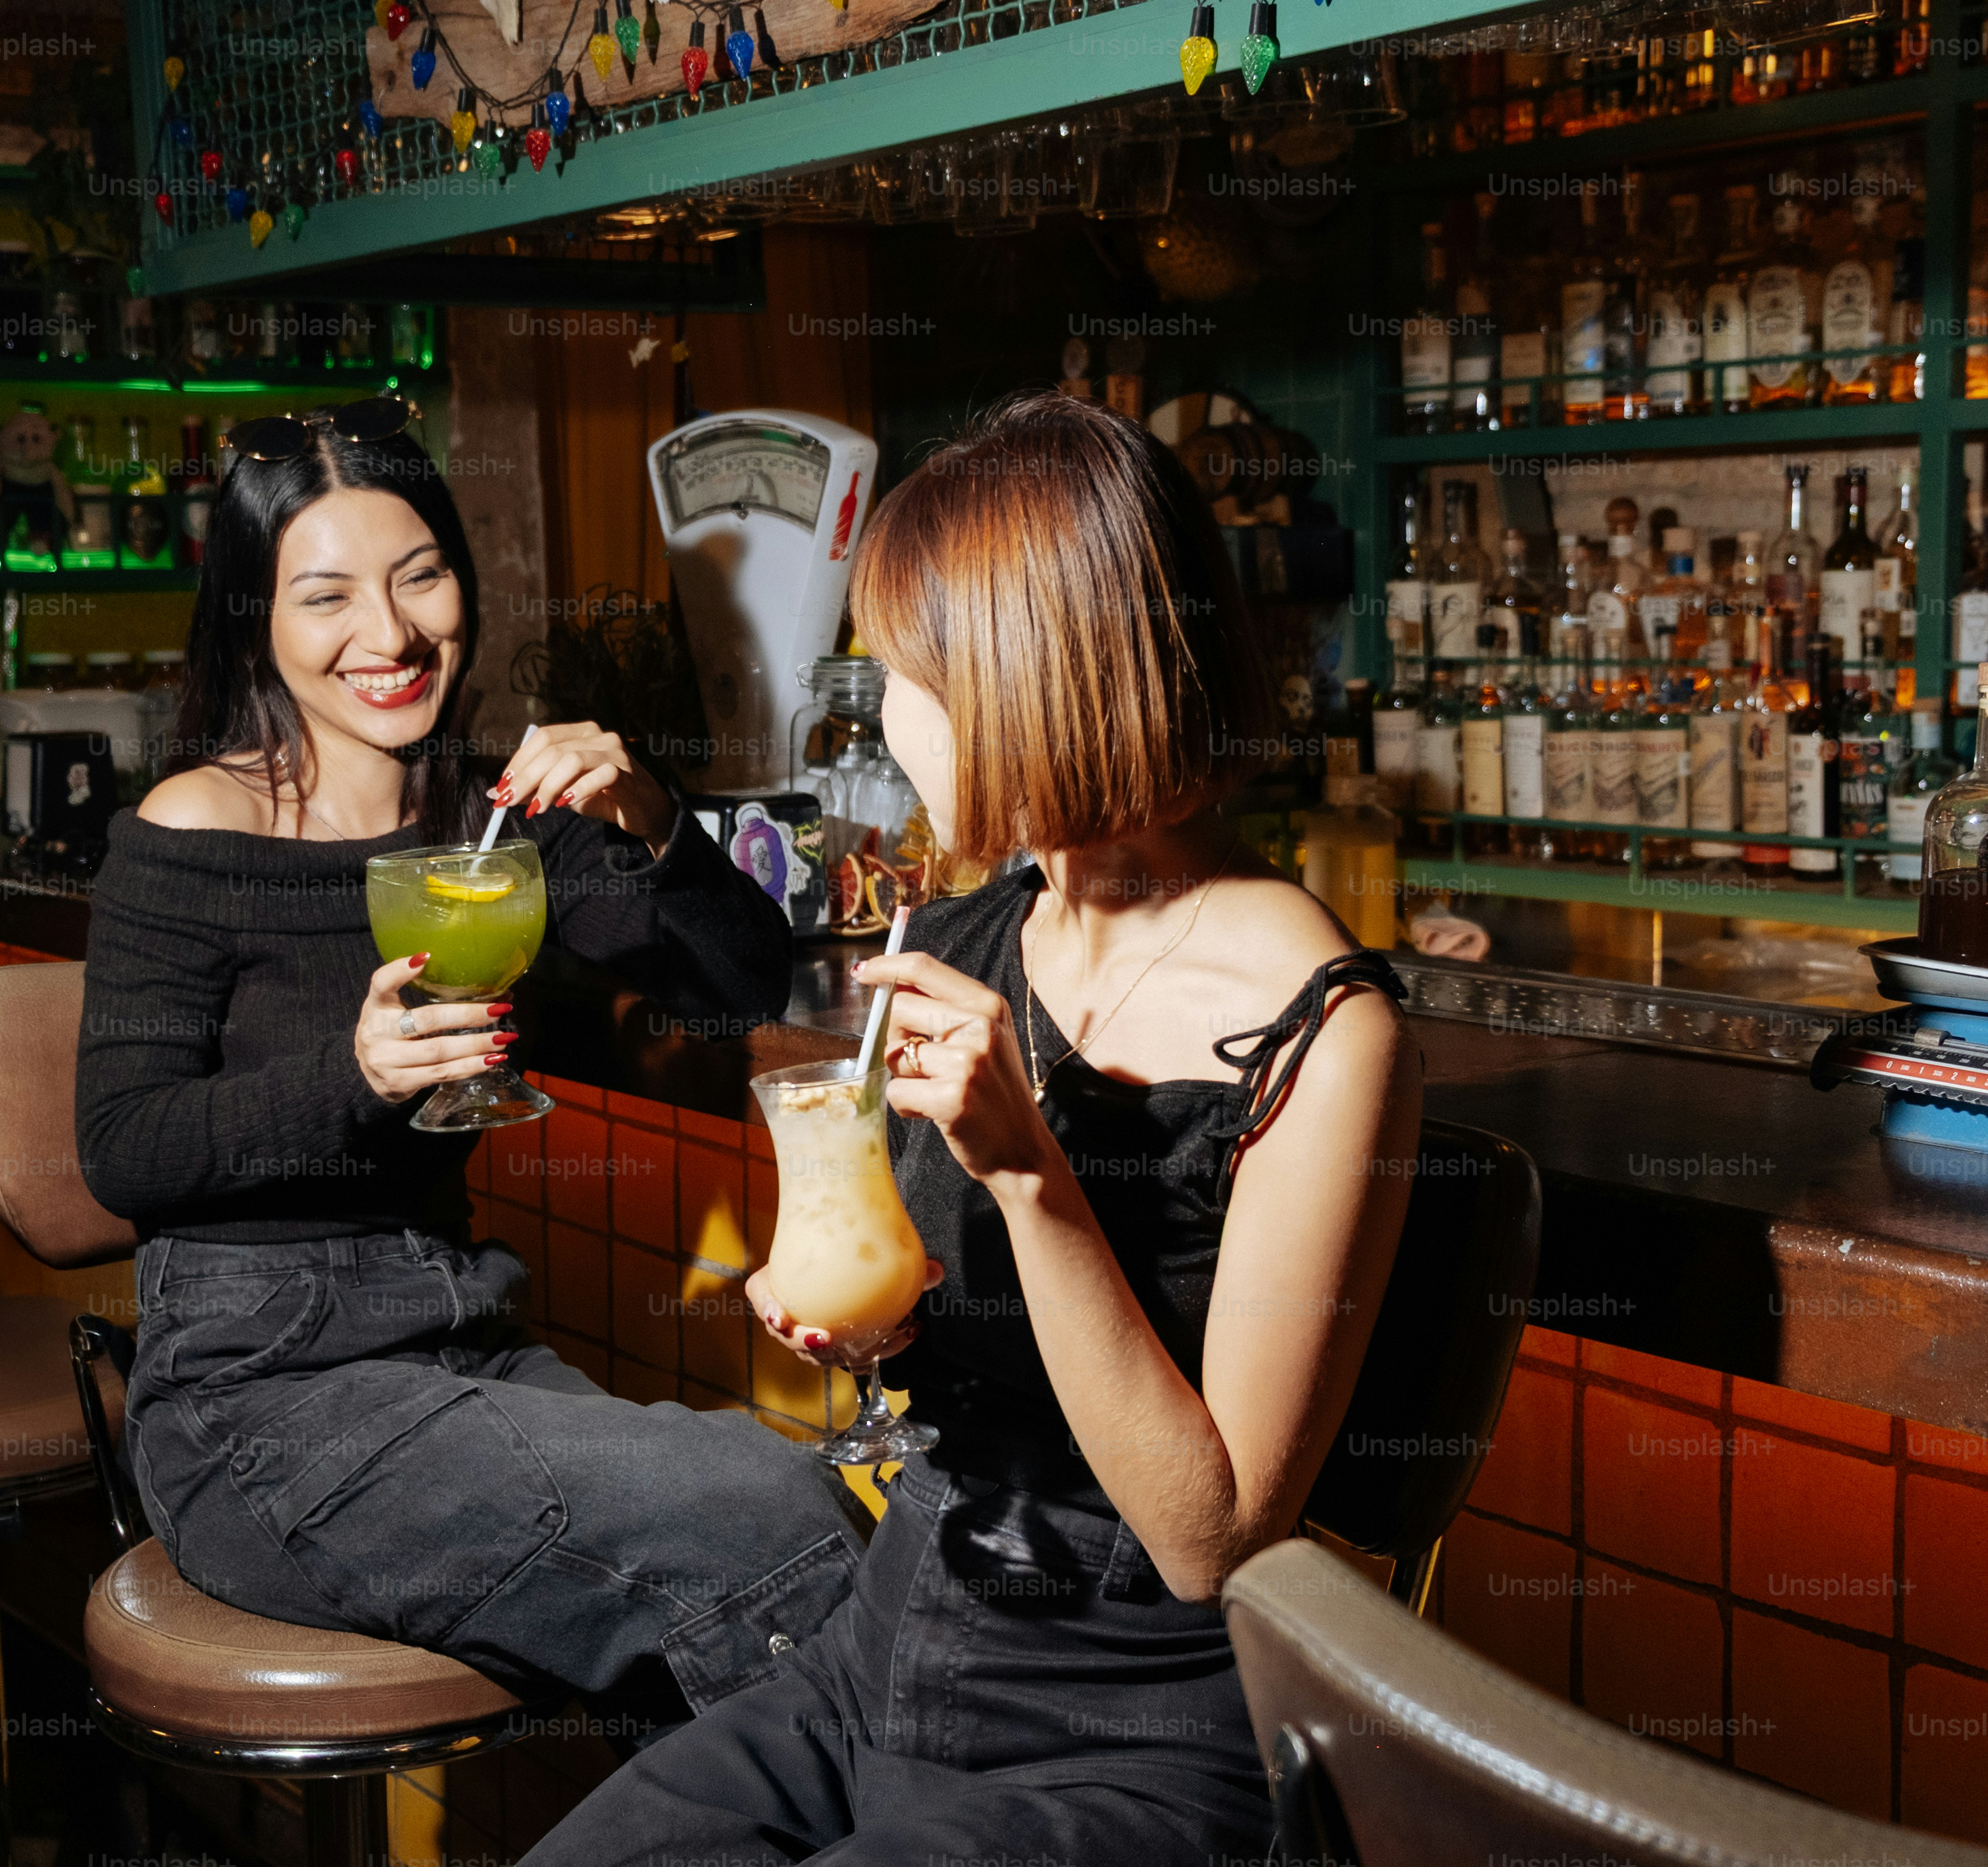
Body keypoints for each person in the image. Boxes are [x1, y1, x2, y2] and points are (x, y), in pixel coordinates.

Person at [523, 391, 1423, 1863]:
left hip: (1137, 1727)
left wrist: (1031, 1177)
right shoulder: (961, 935)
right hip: (891, 1645)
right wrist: (870, 1328)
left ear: (1029, 681)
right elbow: (931, 1320)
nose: (879, 718)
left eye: (902, 678)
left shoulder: (1327, 1034)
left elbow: (1215, 1543)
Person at [75, 400, 867, 1732]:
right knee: (771, 1513)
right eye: (325, 596)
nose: (388, 638)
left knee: (781, 1525)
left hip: (457, 1340)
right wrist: (355, 1076)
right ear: (254, 618)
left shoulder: (498, 824)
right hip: (254, 1393)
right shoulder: (195, 825)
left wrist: (654, 814)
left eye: (420, 578)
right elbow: (122, 1147)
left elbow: (734, 986)